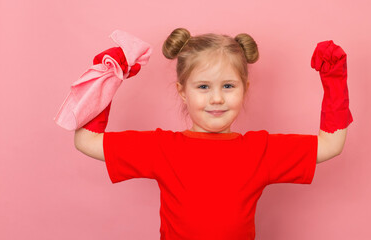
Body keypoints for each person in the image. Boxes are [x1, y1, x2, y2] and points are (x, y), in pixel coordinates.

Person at [74, 27, 352, 240]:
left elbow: (331, 144)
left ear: (245, 88)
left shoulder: (260, 149)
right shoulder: (161, 147)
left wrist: (334, 81)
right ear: (183, 92)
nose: (216, 98)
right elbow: (86, 140)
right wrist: (107, 77)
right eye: (203, 87)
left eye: (228, 86)